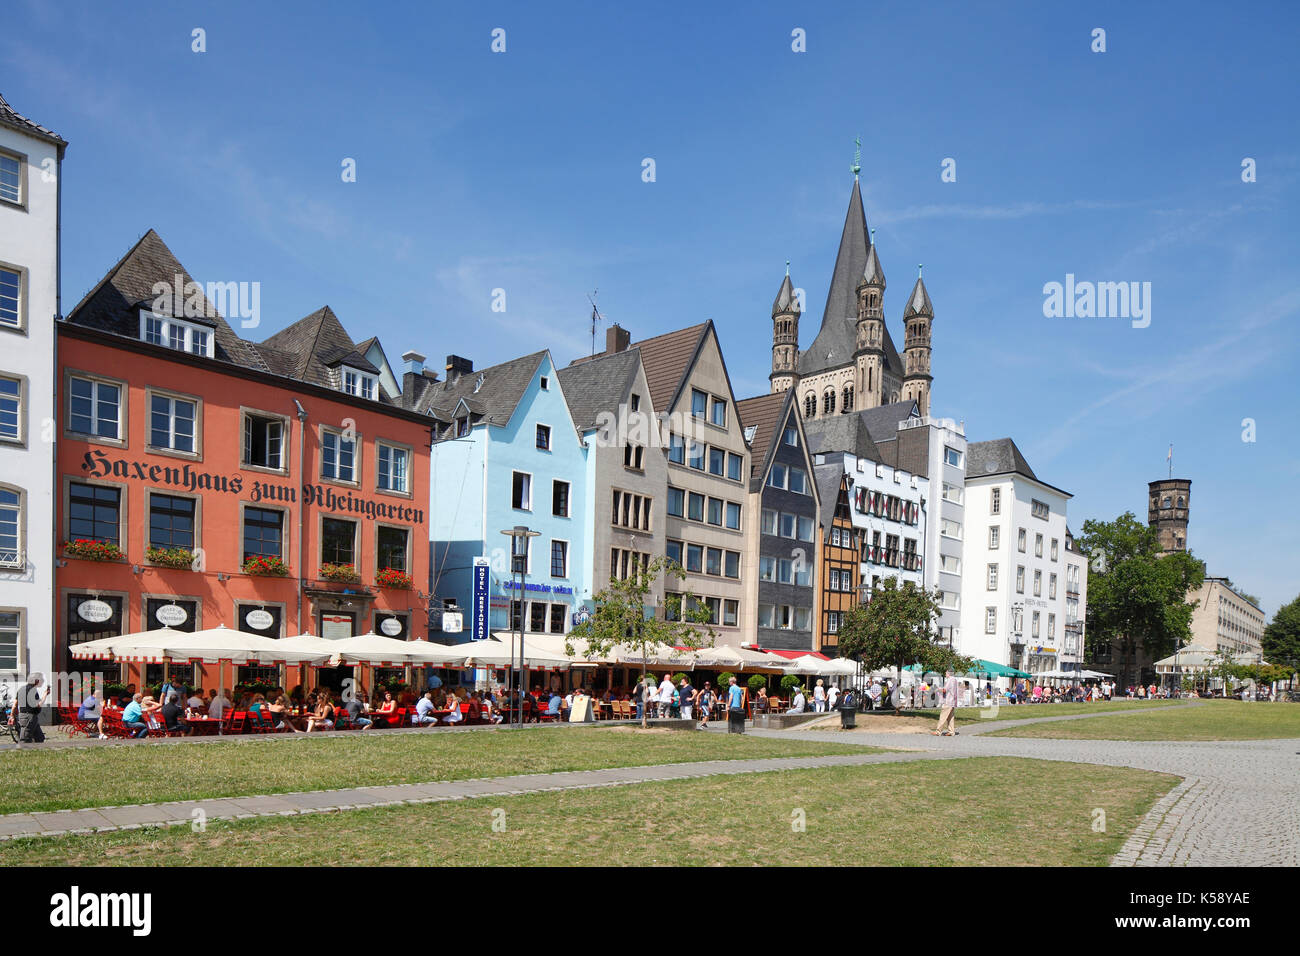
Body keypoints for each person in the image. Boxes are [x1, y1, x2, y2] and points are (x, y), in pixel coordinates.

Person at [12, 673, 49, 743]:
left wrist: (12, 715)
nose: (42, 681)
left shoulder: (21, 689)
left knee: (40, 737)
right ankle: (22, 751)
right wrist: (45, 695)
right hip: (29, 717)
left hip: (27, 716)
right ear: (36, 681)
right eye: (41, 679)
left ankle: (37, 752)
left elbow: (15, 704)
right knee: (25, 739)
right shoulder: (32, 691)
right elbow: (38, 705)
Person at [932, 668, 961, 736]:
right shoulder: (955, 680)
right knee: (950, 718)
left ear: (948, 673)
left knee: (943, 716)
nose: (945, 674)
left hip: (948, 701)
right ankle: (951, 732)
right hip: (953, 701)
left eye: (946, 673)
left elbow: (945, 690)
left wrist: (938, 689)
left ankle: (938, 731)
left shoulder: (950, 680)